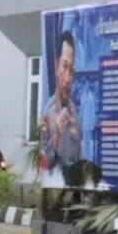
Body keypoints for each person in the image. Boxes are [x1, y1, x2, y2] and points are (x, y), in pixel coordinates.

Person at [41, 31, 82, 182]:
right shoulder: (49, 110)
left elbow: (76, 156)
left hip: (73, 187)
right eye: (64, 67)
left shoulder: (75, 112)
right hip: (55, 186)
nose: (68, 77)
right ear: (57, 66)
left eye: (71, 70)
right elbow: (45, 163)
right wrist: (57, 135)